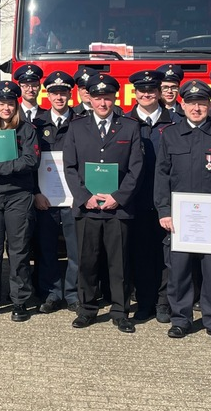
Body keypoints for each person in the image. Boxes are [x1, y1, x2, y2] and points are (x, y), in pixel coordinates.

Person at [154, 79, 211, 342]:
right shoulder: (169, 134)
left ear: (210, 104)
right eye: (191, 103)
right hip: (179, 219)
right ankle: (181, 319)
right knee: (178, 271)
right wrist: (164, 210)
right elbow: (162, 176)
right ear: (182, 104)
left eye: (202, 103)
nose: (196, 108)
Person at [62, 73, 144, 333]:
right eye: (97, 98)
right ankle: (86, 309)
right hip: (87, 208)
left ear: (114, 98)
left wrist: (117, 198)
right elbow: (70, 167)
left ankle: (120, 311)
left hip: (117, 209)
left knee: (118, 263)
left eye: (107, 98)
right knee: (87, 261)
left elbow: (136, 168)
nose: (103, 103)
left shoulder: (130, 127)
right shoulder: (76, 127)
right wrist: (84, 197)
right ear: (90, 99)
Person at [0, 81, 40, 321]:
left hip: (18, 196)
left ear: (17, 105)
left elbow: (30, 161)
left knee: (18, 251)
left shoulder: (27, 129)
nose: (6, 108)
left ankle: (20, 301)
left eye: (11, 104)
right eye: (2, 103)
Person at [126, 69, 178, 324]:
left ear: (159, 92)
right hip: (136, 200)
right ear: (134, 94)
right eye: (141, 90)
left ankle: (164, 302)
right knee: (141, 254)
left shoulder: (175, 122)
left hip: (168, 202)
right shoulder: (124, 122)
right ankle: (145, 302)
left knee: (167, 255)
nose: (146, 94)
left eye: (151, 90)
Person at [32, 70, 80, 313]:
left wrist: (81, 195)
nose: (59, 97)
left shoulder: (81, 123)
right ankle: (51, 293)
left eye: (63, 93)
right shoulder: (37, 124)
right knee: (47, 249)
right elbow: (30, 162)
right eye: (54, 93)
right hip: (45, 199)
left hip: (74, 199)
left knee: (76, 250)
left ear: (69, 94)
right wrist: (35, 193)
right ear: (47, 94)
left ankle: (73, 294)